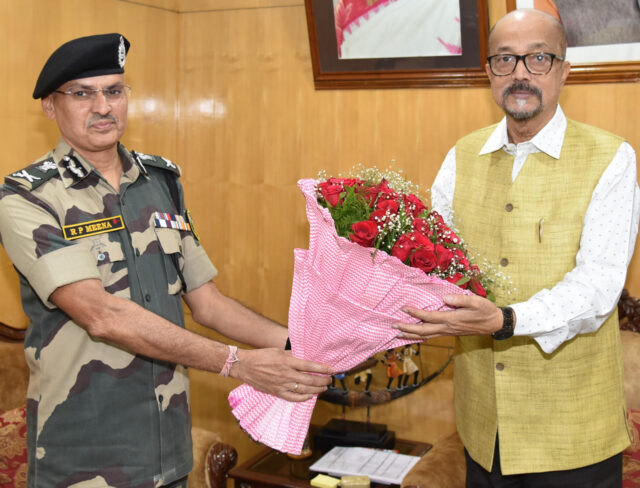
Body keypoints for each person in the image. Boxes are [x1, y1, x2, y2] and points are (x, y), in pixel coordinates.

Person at [0, 33, 331, 488]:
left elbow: (209, 302)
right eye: (82, 93)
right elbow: (102, 315)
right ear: (50, 107)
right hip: (84, 457)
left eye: (114, 91)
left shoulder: (160, 181)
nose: (103, 107)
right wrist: (237, 363)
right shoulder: (27, 197)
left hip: (167, 450)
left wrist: (305, 348)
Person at [394, 9, 640, 487]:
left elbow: (598, 286)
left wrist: (506, 320)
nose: (520, 73)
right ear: (488, 72)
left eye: (538, 58)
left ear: (564, 70)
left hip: (573, 438)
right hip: (483, 432)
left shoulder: (611, 157)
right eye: (505, 59)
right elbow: (436, 266)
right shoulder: (460, 156)